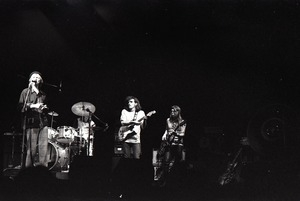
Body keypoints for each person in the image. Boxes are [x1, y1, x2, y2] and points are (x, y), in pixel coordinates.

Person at [18, 71, 49, 168]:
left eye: (38, 77)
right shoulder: (25, 92)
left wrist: (44, 108)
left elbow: (43, 102)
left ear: (41, 81)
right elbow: (20, 106)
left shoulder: (42, 94)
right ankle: (28, 172)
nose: (35, 78)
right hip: (31, 123)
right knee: (31, 150)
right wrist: (32, 105)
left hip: (43, 123)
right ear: (30, 80)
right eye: (33, 77)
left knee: (43, 149)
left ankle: (43, 171)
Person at [153, 105, 187, 187]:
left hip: (178, 144)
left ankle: (177, 180)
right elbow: (166, 129)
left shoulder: (182, 122)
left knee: (177, 162)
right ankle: (164, 180)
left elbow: (182, 133)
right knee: (166, 161)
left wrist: (175, 133)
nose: (172, 112)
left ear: (178, 112)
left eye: (174, 111)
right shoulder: (168, 120)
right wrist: (164, 134)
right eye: (171, 111)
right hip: (168, 143)